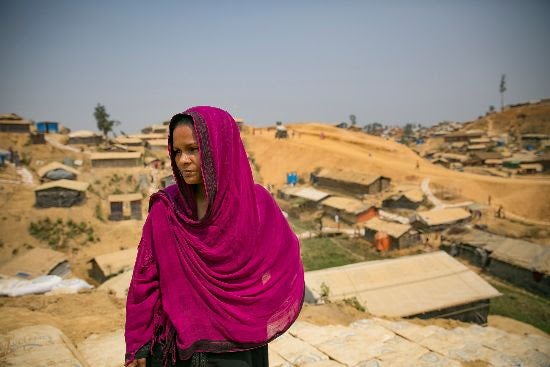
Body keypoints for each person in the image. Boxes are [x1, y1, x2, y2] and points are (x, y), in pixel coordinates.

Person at [125, 106, 305, 367]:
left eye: (192, 149)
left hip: (238, 350)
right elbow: (145, 279)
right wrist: (138, 345)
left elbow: (280, 263)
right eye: (177, 152)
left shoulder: (256, 206)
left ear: (219, 148)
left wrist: (251, 310)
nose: (183, 160)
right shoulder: (166, 210)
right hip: (174, 352)